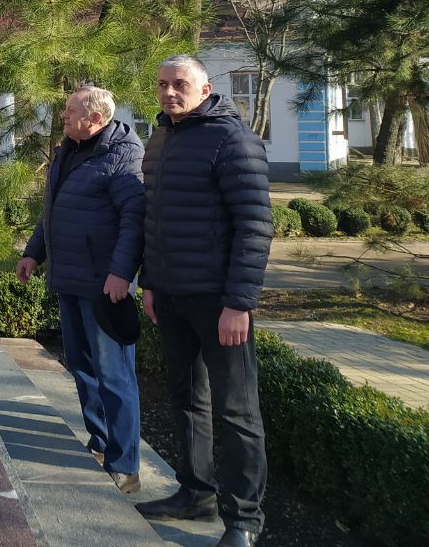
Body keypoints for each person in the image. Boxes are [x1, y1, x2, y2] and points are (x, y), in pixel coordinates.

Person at [134, 54, 273, 547]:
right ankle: (196, 492)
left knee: (237, 411)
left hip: (219, 302)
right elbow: (153, 218)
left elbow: (255, 225)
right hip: (171, 296)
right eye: (163, 85)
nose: (170, 93)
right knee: (186, 398)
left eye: (180, 85)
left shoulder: (231, 139)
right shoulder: (161, 138)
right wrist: (150, 282)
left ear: (206, 88)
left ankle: (243, 521)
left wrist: (239, 301)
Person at [16, 86, 144, 493]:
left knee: (114, 375)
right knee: (83, 367)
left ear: (97, 119)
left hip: (105, 286)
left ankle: (125, 466)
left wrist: (121, 273)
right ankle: (100, 439)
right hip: (69, 279)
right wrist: (33, 253)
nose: (64, 117)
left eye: (71, 112)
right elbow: (53, 209)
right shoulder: (68, 150)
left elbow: (134, 220)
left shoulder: (123, 155)